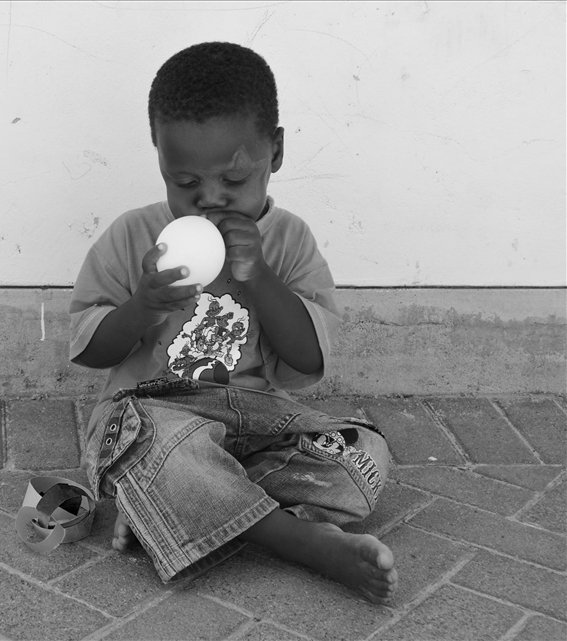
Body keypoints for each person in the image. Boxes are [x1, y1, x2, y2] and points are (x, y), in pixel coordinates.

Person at [68, 42, 397, 604]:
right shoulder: (131, 236)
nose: (209, 201)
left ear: (277, 151)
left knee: (364, 455)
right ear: (159, 158)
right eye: (186, 184)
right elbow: (92, 353)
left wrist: (261, 279)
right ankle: (295, 539)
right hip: (150, 415)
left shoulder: (290, 240)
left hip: (252, 426)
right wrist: (143, 305)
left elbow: (308, 362)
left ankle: (168, 511)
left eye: (234, 181)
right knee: (157, 447)